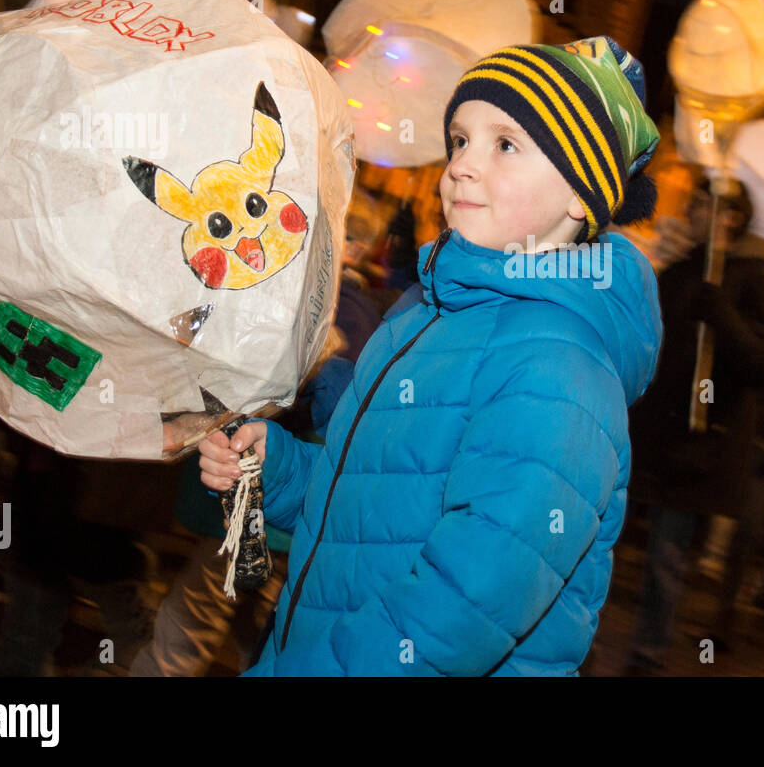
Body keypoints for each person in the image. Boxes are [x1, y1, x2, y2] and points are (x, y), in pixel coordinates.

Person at [199, 36, 664, 675]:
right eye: (460, 140)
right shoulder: (421, 315)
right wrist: (274, 466)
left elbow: (462, 610)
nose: (462, 166)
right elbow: (368, 501)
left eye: (505, 144)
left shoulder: (559, 372)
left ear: (580, 195)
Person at [625, 177, 764, 673]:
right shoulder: (679, 272)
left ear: (729, 217)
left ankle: (647, 655)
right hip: (651, 436)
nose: (690, 211)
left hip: (699, 448)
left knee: (666, 559)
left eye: (700, 205)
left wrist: (722, 314)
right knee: (606, 541)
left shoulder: (753, 280)